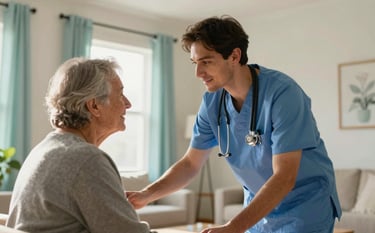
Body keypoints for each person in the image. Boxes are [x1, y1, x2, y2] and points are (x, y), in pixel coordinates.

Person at [127, 16, 342, 233]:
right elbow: (190, 164)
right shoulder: (212, 102)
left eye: (206, 61)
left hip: (303, 206)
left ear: (234, 56)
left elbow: (285, 177)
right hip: (258, 206)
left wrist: (233, 227)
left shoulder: (283, 94)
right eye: (195, 63)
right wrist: (147, 194)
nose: (198, 73)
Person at [6, 58, 150, 233]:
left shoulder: (44, 149)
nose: (128, 103)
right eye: (120, 95)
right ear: (94, 106)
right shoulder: (86, 159)